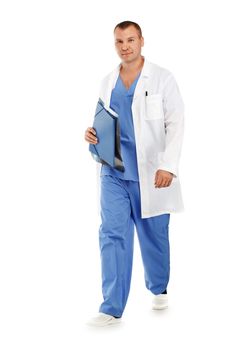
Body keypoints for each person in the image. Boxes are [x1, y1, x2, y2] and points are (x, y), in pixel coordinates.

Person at [84, 20, 185, 327]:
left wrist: (168, 165)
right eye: (119, 41)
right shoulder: (107, 81)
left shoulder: (162, 79)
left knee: (153, 235)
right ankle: (111, 307)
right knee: (112, 234)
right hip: (113, 172)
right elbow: (103, 120)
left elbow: (176, 122)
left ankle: (159, 286)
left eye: (130, 40)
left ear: (142, 41)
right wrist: (91, 135)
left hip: (151, 173)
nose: (125, 46)